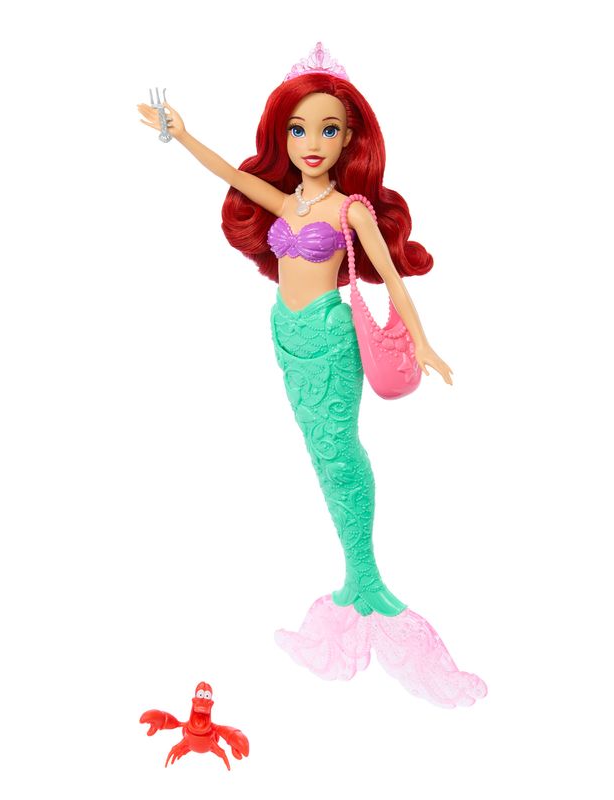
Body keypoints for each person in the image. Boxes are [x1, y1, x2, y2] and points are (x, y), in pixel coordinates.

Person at [138, 43, 485, 707]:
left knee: (340, 448)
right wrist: (181, 134)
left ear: (349, 136)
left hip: (329, 339)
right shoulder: (285, 200)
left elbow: (393, 282)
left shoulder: (350, 211)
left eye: (328, 129)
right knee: (319, 452)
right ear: (284, 137)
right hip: (285, 335)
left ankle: (365, 574)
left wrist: (423, 343)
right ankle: (355, 573)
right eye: (299, 130)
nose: (313, 143)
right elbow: (228, 174)